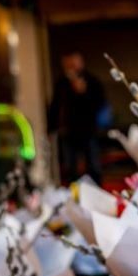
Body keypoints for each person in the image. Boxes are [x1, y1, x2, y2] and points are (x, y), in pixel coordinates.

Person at [47, 51, 108, 183]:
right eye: (68, 65)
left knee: (93, 164)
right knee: (70, 166)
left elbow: (100, 103)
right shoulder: (62, 83)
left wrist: (83, 93)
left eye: (74, 64)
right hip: (69, 130)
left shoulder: (91, 81)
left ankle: (96, 191)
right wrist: (51, 128)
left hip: (88, 129)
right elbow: (56, 106)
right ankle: (72, 192)